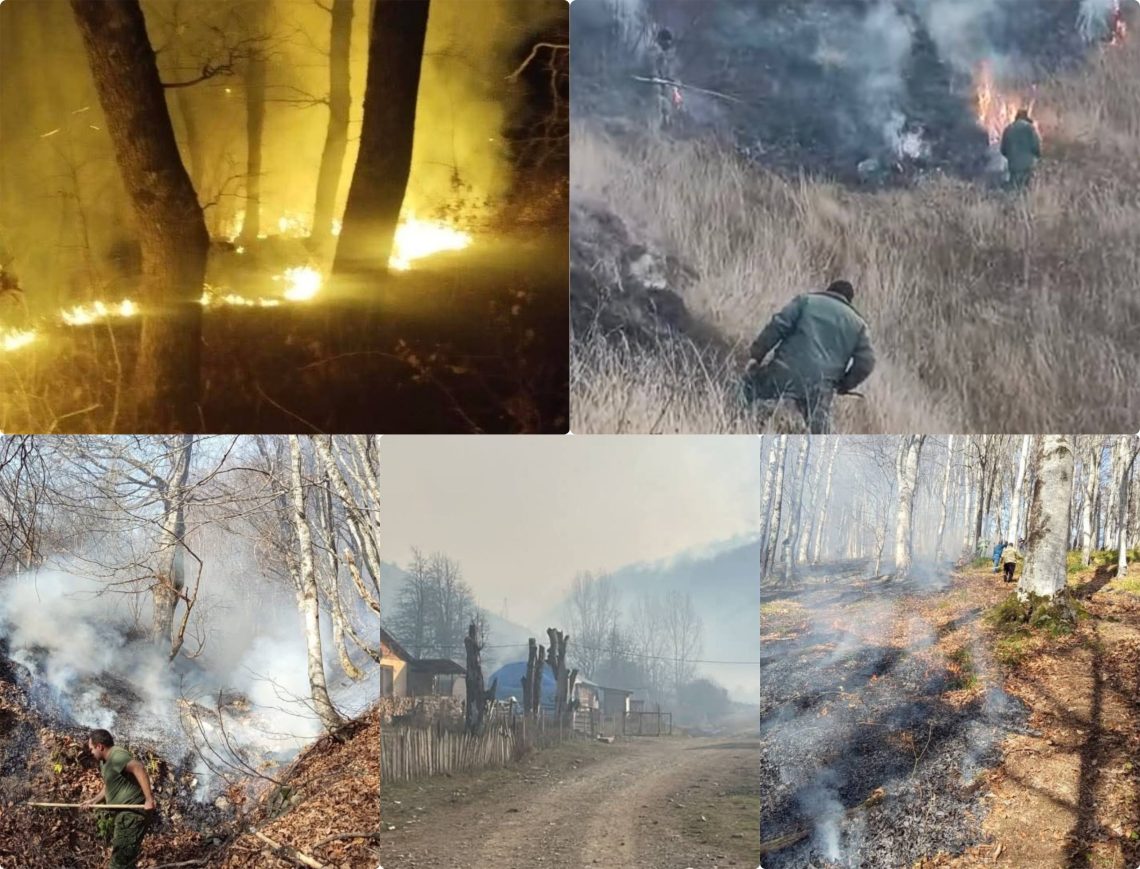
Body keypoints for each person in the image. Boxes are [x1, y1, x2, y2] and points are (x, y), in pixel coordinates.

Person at [743, 280, 876, 434]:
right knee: (819, 434)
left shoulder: (806, 301)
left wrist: (757, 355)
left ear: (828, 290)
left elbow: (778, 325)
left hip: (785, 369)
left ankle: (735, 424)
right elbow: (867, 362)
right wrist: (844, 384)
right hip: (821, 386)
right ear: (848, 301)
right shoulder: (859, 325)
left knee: (750, 393)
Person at [83, 729, 155, 869]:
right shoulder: (105, 762)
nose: (91, 753)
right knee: (126, 862)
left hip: (132, 814)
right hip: (124, 815)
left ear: (100, 746)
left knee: (119, 863)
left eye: (91, 749)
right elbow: (109, 786)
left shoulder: (116, 755)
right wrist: (93, 801)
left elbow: (138, 767)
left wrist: (149, 799)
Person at [999, 109, 1041, 190]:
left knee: (1014, 188)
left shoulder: (1008, 129)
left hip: (1013, 166)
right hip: (1027, 166)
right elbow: (1036, 148)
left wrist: (1011, 156)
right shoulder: (1030, 129)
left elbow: (1003, 150)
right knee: (1026, 188)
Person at [649, 27, 680, 128]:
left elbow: (669, 75)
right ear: (661, 40)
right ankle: (654, 127)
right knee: (658, 99)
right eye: (667, 41)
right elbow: (652, 69)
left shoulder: (665, 56)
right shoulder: (654, 51)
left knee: (668, 103)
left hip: (661, 86)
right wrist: (656, 78)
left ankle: (665, 124)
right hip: (651, 87)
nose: (669, 44)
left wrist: (675, 86)